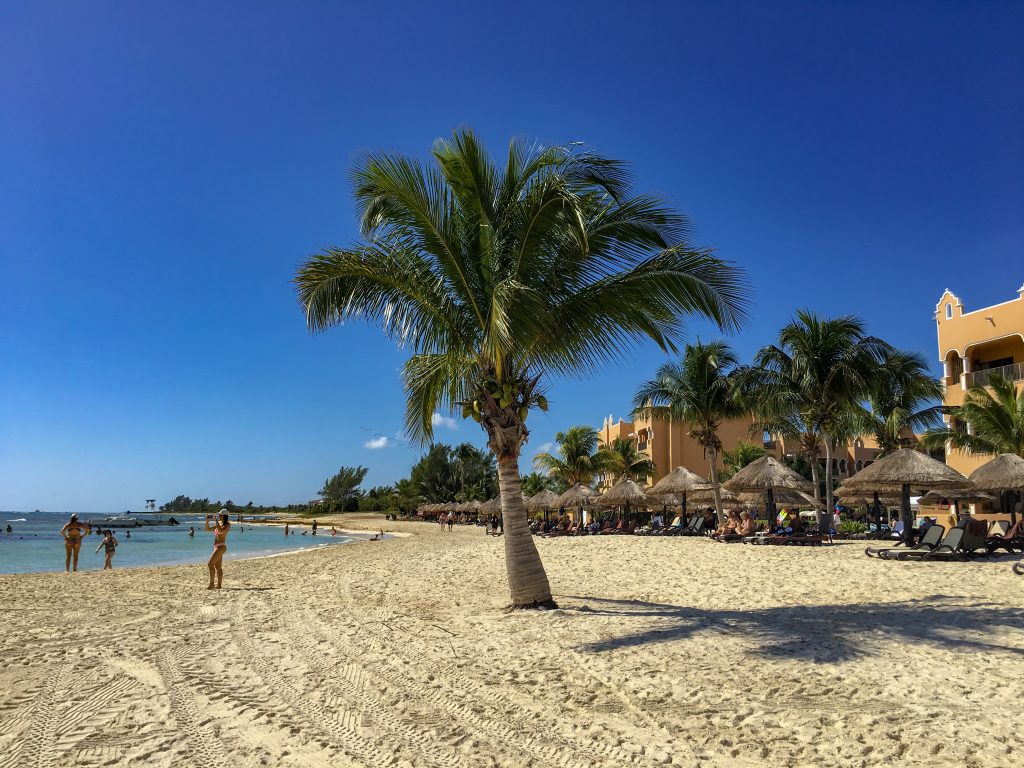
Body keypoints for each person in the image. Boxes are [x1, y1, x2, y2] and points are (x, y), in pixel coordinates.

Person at [205, 510, 231, 590]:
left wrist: (216, 521)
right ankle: (219, 585)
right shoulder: (219, 524)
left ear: (224, 516)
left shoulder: (227, 525)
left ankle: (212, 584)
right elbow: (207, 529)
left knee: (210, 564)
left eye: (220, 515)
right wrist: (207, 521)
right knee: (218, 567)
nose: (219, 516)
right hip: (216, 547)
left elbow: (220, 531)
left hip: (221, 546)